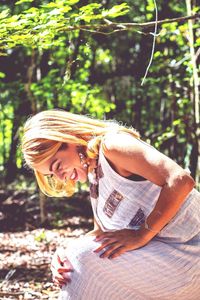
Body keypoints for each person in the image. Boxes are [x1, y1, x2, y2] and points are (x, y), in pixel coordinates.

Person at [22, 109, 200, 300]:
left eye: (57, 166)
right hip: (167, 260)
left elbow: (181, 180)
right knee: (74, 257)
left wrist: (143, 234)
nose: (60, 176)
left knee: (81, 258)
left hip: (190, 253)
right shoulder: (95, 175)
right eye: (51, 175)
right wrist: (64, 253)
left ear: (69, 138)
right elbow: (100, 234)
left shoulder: (113, 145)